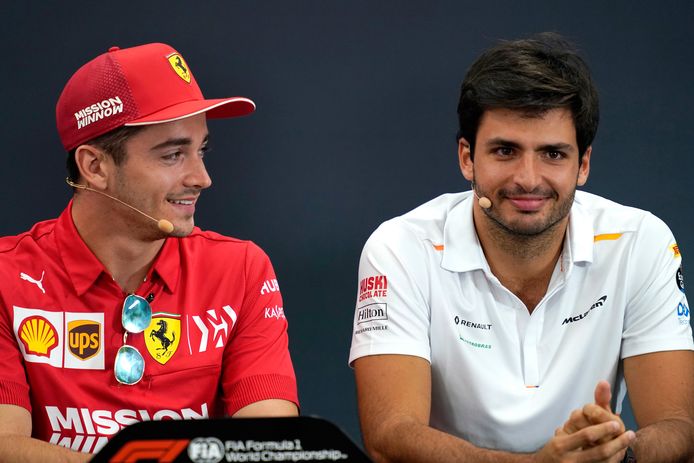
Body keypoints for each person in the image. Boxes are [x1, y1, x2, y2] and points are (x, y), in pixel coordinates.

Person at [349, 33, 693, 462]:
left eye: (552, 154)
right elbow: (388, 437)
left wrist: (616, 454)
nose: (528, 178)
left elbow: (679, 428)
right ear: (467, 158)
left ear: (583, 165)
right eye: (506, 150)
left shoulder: (641, 242)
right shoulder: (400, 248)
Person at [0, 43, 298, 461]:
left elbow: (274, 444)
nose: (202, 178)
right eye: (174, 154)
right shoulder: (6, 277)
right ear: (95, 167)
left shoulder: (242, 268)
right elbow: (4, 445)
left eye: (202, 150)